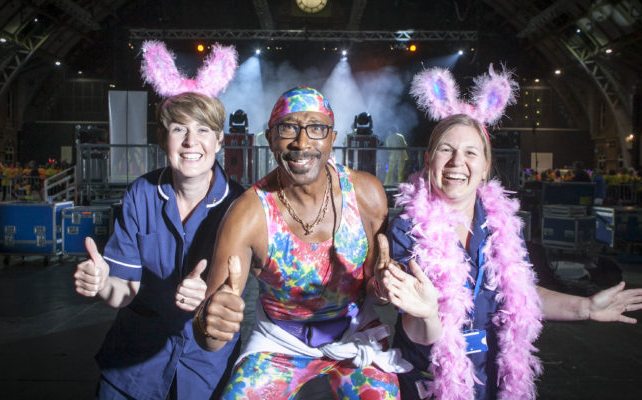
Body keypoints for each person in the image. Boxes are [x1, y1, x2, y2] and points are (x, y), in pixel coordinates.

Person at [379, 65, 642, 399]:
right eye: (446, 149)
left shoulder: (500, 224)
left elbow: (520, 297)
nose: (456, 162)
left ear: (485, 167)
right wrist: (429, 313)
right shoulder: (408, 229)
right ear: (428, 160)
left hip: (493, 379)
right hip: (431, 381)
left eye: (470, 152)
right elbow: (417, 328)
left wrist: (587, 307)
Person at [196, 86, 408, 398]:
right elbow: (210, 336)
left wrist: (385, 287)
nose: (302, 142)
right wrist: (210, 323)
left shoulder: (366, 195)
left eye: (316, 128)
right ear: (271, 138)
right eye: (288, 128)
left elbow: (375, 294)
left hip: (354, 336)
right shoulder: (247, 214)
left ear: (332, 138)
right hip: (278, 342)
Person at [73, 41, 243, 399]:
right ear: (164, 139)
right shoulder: (141, 194)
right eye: (179, 129)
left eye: (203, 130)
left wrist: (211, 297)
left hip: (206, 366)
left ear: (219, 140)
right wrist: (102, 283)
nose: (190, 142)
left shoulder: (241, 205)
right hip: (134, 365)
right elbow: (124, 289)